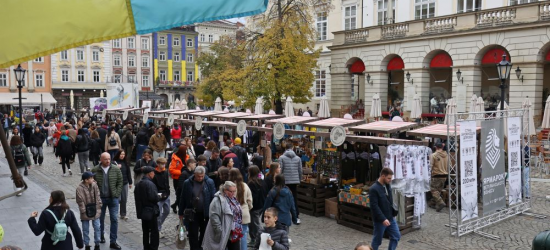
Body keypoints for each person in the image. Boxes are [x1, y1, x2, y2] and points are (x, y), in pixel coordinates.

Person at [178, 166, 216, 250]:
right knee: (193, 235)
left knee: (204, 233)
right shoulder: (187, 183)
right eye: (198, 176)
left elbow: (213, 198)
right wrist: (180, 212)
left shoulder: (209, 182)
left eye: (202, 176)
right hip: (192, 213)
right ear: (194, 174)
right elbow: (183, 198)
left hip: (205, 213)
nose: (200, 178)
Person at [91, 152, 123, 250]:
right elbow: (88, 182)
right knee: (100, 219)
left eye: (109, 159)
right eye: (105, 159)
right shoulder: (95, 169)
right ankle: (101, 236)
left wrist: (117, 194)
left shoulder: (116, 169)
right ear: (101, 159)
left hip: (113, 198)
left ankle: (113, 241)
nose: (108, 161)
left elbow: (120, 181)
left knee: (114, 219)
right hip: (100, 199)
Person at [202, 181, 242, 250]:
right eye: (231, 191)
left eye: (234, 191)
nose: (233, 193)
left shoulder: (233, 198)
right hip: (224, 231)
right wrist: (219, 232)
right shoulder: (217, 200)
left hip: (234, 231)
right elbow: (214, 217)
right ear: (225, 190)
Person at [369, 167, 400, 250]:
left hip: (390, 218)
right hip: (380, 220)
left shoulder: (387, 185)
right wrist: (383, 219)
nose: (390, 180)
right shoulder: (373, 189)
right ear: (383, 176)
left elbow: (389, 201)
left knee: (396, 236)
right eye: (389, 178)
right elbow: (374, 206)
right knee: (377, 241)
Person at [134, 166, 159, 250]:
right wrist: (159, 197)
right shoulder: (150, 184)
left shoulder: (139, 184)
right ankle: (153, 247)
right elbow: (153, 197)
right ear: (149, 173)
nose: (154, 174)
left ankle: (146, 247)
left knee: (145, 231)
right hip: (151, 211)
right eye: (153, 172)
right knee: (154, 231)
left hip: (142, 211)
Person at [76, 172, 102, 250]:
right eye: (91, 178)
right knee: (85, 229)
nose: (93, 179)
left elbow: (98, 195)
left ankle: (97, 243)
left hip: (95, 209)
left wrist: (99, 204)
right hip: (85, 211)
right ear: (86, 180)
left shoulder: (94, 185)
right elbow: (79, 200)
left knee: (97, 227)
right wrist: (83, 210)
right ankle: (87, 245)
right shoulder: (79, 188)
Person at [228, 168, 252, 250]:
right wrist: (247, 209)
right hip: (244, 213)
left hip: (233, 213)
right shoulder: (245, 185)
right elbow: (250, 201)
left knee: (233, 235)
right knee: (244, 235)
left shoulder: (229, 187)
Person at [278, 143, 302, 224]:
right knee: (294, 198)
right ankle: (296, 217)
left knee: (284, 198)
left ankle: (284, 216)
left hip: (285, 181)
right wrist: (299, 179)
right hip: (294, 181)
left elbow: (280, 170)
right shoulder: (298, 158)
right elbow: (300, 171)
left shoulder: (281, 157)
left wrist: (279, 180)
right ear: (293, 148)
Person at [248, 166, 268, 247]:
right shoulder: (262, 181)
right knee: (253, 223)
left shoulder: (252, 183)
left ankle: (260, 239)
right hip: (261, 205)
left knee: (255, 223)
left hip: (255, 206)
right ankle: (254, 239)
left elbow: (253, 196)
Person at [152, 157, 170, 238]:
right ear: (158, 164)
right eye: (162, 164)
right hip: (159, 196)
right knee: (158, 214)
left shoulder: (165, 172)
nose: (163, 166)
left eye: (164, 164)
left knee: (167, 211)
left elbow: (167, 183)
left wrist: (168, 192)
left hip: (166, 195)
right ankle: (158, 229)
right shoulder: (154, 173)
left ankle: (156, 225)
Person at [169, 145, 188, 214]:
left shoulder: (186, 157)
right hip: (177, 179)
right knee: (179, 194)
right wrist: (182, 172)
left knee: (182, 195)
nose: (187, 152)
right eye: (186, 151)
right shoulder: (175, 159)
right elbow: (171, 170)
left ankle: (175, 205)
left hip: (185, 177)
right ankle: (180, 210)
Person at [114, 150, 132, 221]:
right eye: (121, 154)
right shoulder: (114, 162)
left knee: (124, 200)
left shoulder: (126, 163)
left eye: (123, 154)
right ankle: (114, 213)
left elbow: (128, 173)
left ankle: (123, 214)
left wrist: (130, 182)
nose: (122, 156)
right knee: (118, 199)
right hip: (117, 183)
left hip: (125, 183)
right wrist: (116, 167)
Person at [430, 142, 448, 212]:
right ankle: (433, 203)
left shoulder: (433, 155)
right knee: (438, 191)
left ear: (436, 147)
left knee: (433, 190)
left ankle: (441, 203)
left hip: (436, 175)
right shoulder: (447, 155)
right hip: (444, 175)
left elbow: (430, 166)